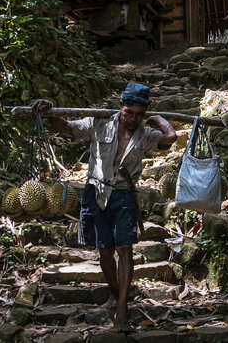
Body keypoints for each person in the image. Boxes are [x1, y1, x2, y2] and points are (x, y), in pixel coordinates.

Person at [31, 83, 176, 332]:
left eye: (140, 114)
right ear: (121, 106)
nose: (134, 118)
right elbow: (67, 129)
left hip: (123, 194)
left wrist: (160, 119)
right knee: (105, 250)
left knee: (125, 248)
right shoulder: (100, 122)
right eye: (129, 112)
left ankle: (122, 309)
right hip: (96, 191)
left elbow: (170, 138)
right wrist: (50, 111)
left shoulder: (145, 133)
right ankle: (114, 293)